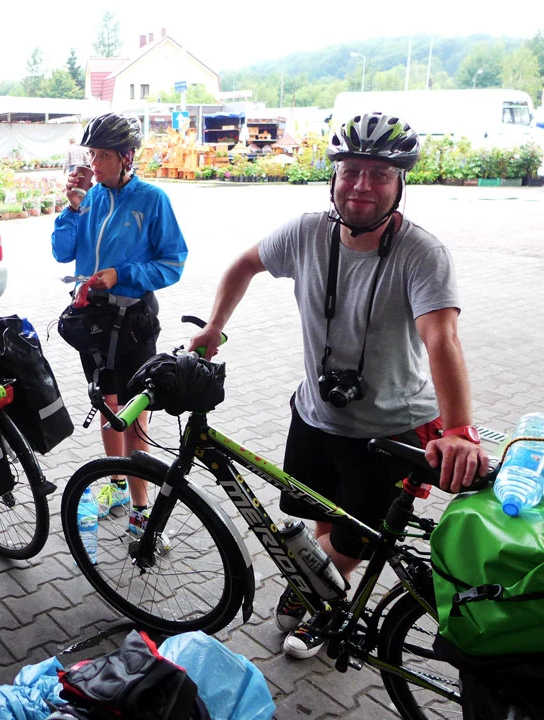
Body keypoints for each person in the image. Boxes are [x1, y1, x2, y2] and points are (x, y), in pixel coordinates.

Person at [189, 112, 490, 659]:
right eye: (351, 171)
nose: (361, 186)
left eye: (379, 174)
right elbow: (245, 264)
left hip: (388, 430)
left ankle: (318, 600)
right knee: (325, 518)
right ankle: (325, 594)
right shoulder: (307, 233)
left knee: (352, 541)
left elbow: (442, 338)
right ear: (334, 177)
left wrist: (459, 430)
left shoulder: (421, 253)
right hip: (316, 414)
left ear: (400, 183)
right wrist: (214, 327)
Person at [52, 112, 188, 534]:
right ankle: (114, 484)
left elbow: (172, 263)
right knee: (106, 402)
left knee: (134, 412)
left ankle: (141, 506)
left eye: (103, 155)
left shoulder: (152, 200)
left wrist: (121, 274)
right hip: (91, 319)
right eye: (91, 154)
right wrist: (72, 207)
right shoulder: (89, 197)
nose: (94, 164)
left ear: (126, 157)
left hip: (132, 322)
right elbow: (61, 252)